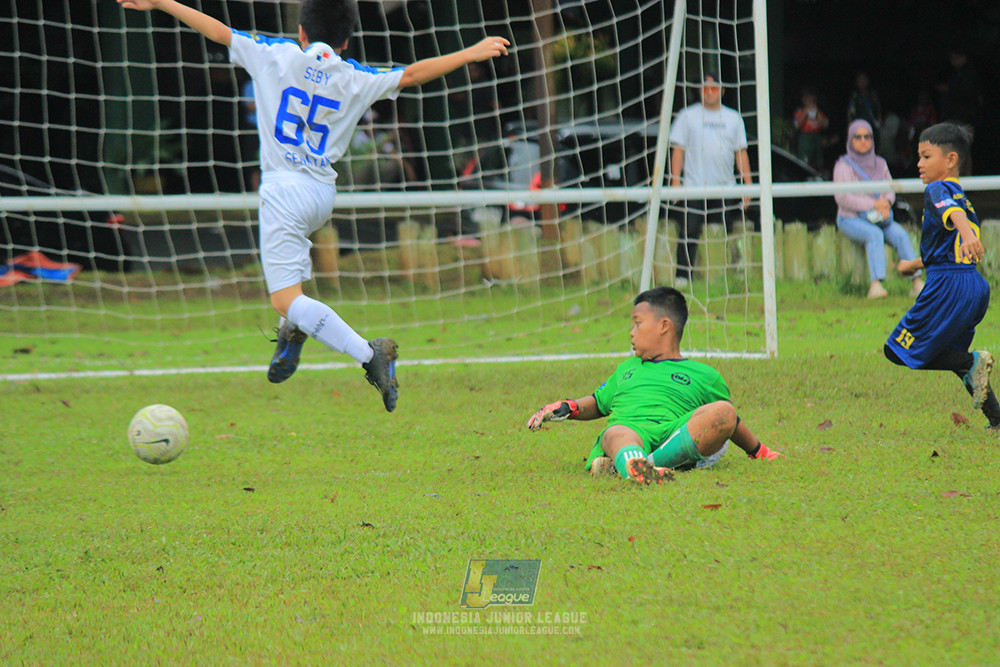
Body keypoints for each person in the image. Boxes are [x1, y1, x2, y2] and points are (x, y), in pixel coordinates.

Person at [119, 0, 509, 413]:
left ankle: (368, 353)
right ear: (345, 41)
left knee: (285, 298)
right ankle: (293, 332)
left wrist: (162, 2)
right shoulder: (355, 74)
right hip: (322, 194)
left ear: (301, 33)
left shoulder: (275, 53)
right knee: (293, 296)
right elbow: (412, 74)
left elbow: (218, 32)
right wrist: (469, 52)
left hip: (283, 193)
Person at [526, 287, 781, 484]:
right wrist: (569, 407)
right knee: (615, 432)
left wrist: (758, 450)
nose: (631, 332)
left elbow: (731, 422)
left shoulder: (705, 375)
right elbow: (598, 402)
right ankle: (637, 466)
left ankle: (634, 466)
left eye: (637, 323)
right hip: (632, 431)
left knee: (723, 411)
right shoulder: (627, 368)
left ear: (664, 326)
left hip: (676, 433)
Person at [886, 123, 1000, 431]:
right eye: (918, 157)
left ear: (950, 160)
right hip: (972, 285)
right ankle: (997, 419)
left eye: (926, 156)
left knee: (895, 349)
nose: (919, 164)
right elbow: (949, 241)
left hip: (949, 286)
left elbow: (955, 217)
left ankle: (970, 363)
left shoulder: (938, 189)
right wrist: (914, 264)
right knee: (951, 355)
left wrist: (966, 234)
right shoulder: (963, 196)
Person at [668, 73, 753, 288]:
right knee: (689, 231)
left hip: (725, 188)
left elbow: (740, 153)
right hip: (694, 188)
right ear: (699, 91)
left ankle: (724, 278)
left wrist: (748, 185)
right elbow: (677, 151)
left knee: (724, 232)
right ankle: (682, 276)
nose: (709, 92)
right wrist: (675, 183)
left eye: (714, 88)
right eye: (705, 88)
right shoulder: (687, 116)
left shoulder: (734, 118)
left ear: (722, 91)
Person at [833, 119, 923, 299]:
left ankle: (917, 283)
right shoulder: (843, 165)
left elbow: (890, 191)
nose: (863, 141)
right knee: (874, 234)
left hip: (880, 216)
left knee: (900, 234)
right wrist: (873, 204)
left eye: (867, 137)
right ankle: (876, 286)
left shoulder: (880, 163)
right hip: (850, 218)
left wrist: (885, 203)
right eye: (858, 137)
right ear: (850, 140)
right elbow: (843, 198)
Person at [792, 87, 829, 170]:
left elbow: (825, 124)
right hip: (805, 138)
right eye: (806, 98)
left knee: (818, 162)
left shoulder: (819, 111)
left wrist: (817, 113)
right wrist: (805, 112)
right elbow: (797, 125)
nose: (808, 100)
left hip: (816, 137)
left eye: (810, 98)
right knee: (805, 162)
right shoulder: (799, 111)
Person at [847, 71, 883, 142]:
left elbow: (878, 108)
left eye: (864, 79)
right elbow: (850, 113)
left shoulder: (873, 94)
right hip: (860, 126)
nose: (862, 82)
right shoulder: (855, 96)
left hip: (873, 125)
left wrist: (879, 118)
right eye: (860, 80)